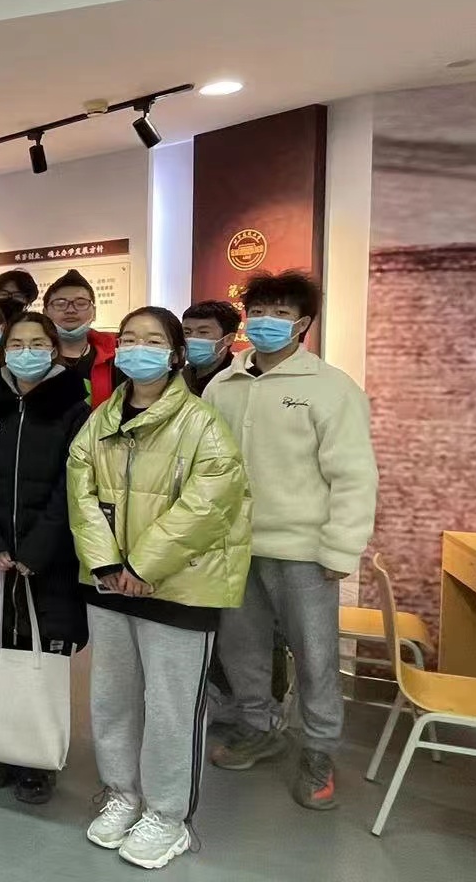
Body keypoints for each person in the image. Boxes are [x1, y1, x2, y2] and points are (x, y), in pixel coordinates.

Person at [68, 306, 251, 870]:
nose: (137, 349)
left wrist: (144, 565)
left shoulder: (202, 423)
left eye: (152, 340)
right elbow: (80, 490)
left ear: (175, 354)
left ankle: (169, 816)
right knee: (112, 699)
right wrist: (106, 563)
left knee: (172, 708)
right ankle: (122, 793)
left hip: (179, 588)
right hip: (108, 584)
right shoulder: (100, 420)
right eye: (128, 339)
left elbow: (210, 503)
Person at [205, 271, 377, 811]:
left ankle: (319, 749)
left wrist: (341, 548)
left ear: (302, 324)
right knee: (242, 649)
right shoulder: (223, 384)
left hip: (304, 552)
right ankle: (258, 728)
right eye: (257, 311)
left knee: (315, 656)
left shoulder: (331, 387)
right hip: (235, 547)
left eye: (279, 313)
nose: (265, 321)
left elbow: (354, 475)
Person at [0, 312, 89, 803]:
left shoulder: (74, 409)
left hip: (47, 560)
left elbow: (73, 487)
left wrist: (37, 549)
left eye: (37, 343)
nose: (26, 352)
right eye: (17, 343)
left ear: (54, 350)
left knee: (42, 652)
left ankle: (37, 759)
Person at [44, 269, 118, 409]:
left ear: (94, 312)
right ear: (45, 313)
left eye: (81, 303)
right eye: (60, 303)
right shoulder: (32, 357)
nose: (70, 310)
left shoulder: (117, 356)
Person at [180, 299, 240, 396]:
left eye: (203, 332)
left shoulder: (240, 379)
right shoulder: (178, 378)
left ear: (228, 339)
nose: (192, 338)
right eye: (187, 332)